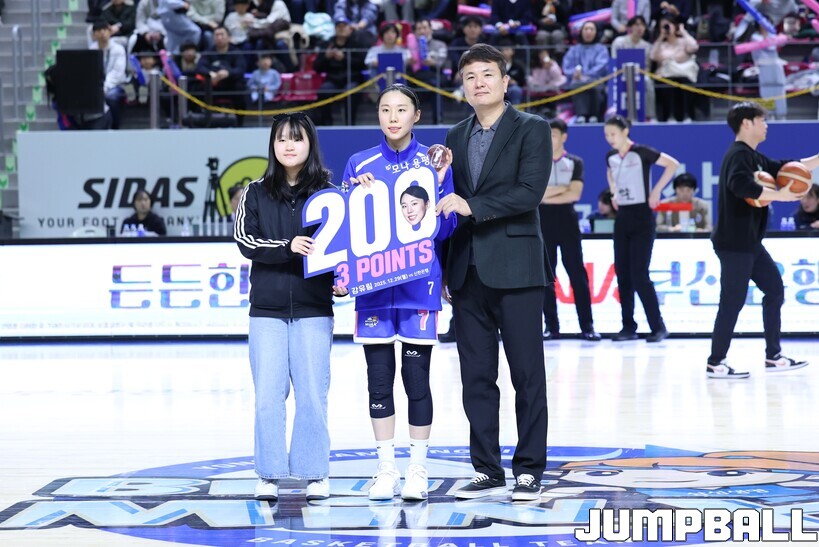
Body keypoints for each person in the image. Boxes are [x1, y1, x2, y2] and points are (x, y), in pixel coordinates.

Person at [437, 44, 551, 502]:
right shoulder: (454, 135)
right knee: (476, 378)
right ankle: (487, 468)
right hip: (467, 272)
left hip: (518, 270)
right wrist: (445, 269)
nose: (478, 82)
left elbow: (529, 193)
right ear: (463, 88)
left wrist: (473, 205)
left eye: (487, 74)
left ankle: (529, 469)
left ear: (506, 82)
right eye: (470, 77)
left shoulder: (532, 128)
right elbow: (445, 206)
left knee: (527, 374)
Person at [342, 84, 456, 501]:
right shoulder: (359, 163)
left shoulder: (434, 161)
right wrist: (354, 193)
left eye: (401, 109)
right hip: (373, 289)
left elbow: (447, 227)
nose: (393, 117)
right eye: (385, 110)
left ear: (417, 115)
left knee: (416, 380)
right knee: (378, 382)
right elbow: (346, 232)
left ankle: (418, 469)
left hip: (419, 286)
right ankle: (386, 468)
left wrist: (439, 185)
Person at [234, 112, 348, 500]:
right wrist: (287, 247)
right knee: (268, 396)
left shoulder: (329, 194)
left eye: (297, 138)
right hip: (266, 311)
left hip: (314, 308)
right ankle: (269, 473)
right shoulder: (255, 192)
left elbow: (342, 248)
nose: (288, 145)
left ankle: (315, 472)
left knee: (313, 394)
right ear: (272, 145)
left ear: (310, 144)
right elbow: (245, 241)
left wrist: (342, 280)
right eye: (281, 138)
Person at [707, 102, 816, 378]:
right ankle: (715, 361)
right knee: (732, 301)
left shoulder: (754, 157)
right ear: (747, 123)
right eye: (762, 120)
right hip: (734, 242)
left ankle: (773, 356)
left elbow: (790, 167)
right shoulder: (738, 155)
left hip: (751, 243)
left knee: (775, 290)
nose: (766, 125)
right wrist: (778, 196)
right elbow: (740, 185)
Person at [604, 114, 678, 342]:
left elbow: (672, 164)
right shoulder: (611, 157)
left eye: (613, 134)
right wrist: (613, 192)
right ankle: (628, 327)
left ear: (625, 131)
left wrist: (656, 191)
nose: (610, 138)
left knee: (639, 274)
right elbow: (610, 173)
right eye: (607, 135)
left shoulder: (641, 152)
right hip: (622, 217)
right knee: (623, 274)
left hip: (642, 217)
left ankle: (658, 326)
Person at [540, 119, 601, 342]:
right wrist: (562, 188)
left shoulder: (575, 162)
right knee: (547, 277)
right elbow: (536, 195)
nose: (550, 138)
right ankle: (551, 326)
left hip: (567, 221)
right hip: (543, 221)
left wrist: (549, 193)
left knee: (577, 275)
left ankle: (587, 326)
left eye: (554, 134)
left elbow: (575, 194)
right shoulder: (537, 162)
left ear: (564, 137)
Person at [649, 13, 698, 123]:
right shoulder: (661, 45)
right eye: (663, 26)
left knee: (685, 84)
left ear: (675, 25)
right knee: (668, 85)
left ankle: (687, 116)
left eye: (669, 25)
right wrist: (661, 37)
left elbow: (694, 47)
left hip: (684, 75)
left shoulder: (683, 41)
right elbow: (652, 56)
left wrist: (683, 32)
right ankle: (669, 116)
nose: (667, 28)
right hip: (666, 76)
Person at [561, 21, 610, 123]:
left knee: (595, 86)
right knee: (577, 85)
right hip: (578, 80)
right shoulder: (573, 50)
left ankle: (595, 115)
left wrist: (586, 75)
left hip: (596, 80)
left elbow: (602, 66)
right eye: (586, 29)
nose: (588, 32)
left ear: (596, 32)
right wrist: (575, 73)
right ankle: (581, 115)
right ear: (581, 32)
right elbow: (567, 67)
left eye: (591, 29)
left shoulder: (602, 49)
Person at [611, 15, 656, 121]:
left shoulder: (647, 46)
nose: (640, 28)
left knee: (648, 82)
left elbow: (647, 67)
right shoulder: (619, 42)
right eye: (636, 25)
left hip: (640, 75)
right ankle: (614, 114)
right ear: (630, 27)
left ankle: (649, 116)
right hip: (619, 73)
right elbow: (614, 61)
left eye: (642, 25)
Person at [90, 19, 128, 129]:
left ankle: (115, 127)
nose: (102, 33)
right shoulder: (92, 50)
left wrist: (105, 87)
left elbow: (117, 73)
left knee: (111, 97)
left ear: (110, 32)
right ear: (94, 35)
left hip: (117, 84)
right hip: (98, 85)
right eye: (99, 30)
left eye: (105, 30)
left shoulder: (118, 49)